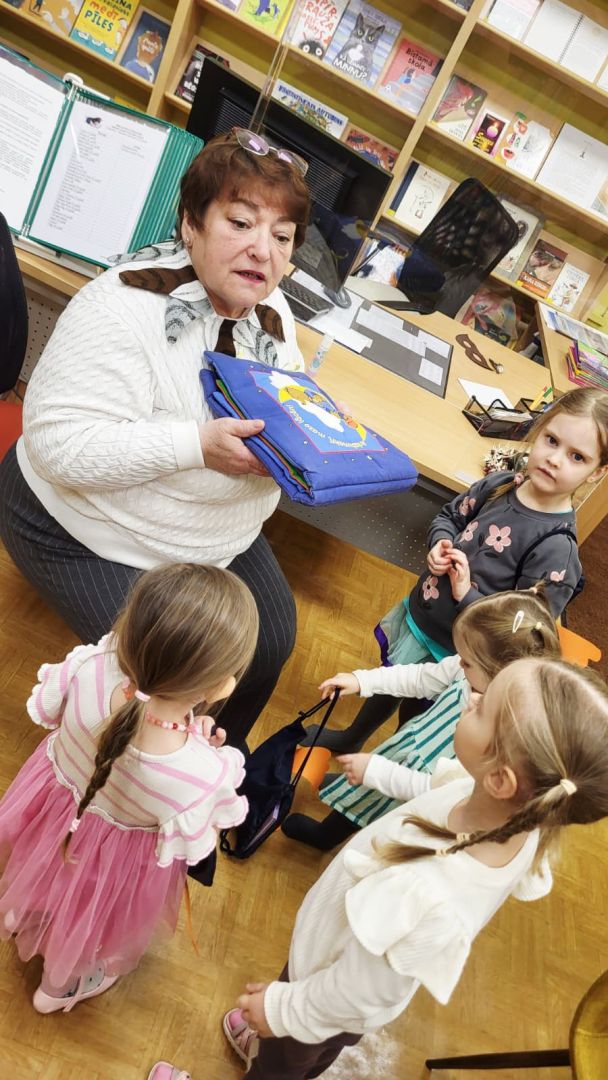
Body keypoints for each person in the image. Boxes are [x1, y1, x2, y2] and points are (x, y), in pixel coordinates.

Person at [150, 657, 608, 1080]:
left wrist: (283, 1010)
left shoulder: (428, 897)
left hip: (328, 992)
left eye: (483, 707)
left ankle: (272, 1057)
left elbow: (356, 993)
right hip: (336, 962)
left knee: (282, 1067)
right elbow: (432, 789)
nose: (471, 697)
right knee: (299, 1053)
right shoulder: (519, 818)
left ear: (501, 779)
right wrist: (379, 773)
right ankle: (275, 1050)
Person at [0, 129, 311, 748]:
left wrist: (317, 427)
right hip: (85, 528)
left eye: (282, 237)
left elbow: (283, 400)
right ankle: (139, 784)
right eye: (241, 223)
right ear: (191, 223)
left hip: (208, 530)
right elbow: (60, 444)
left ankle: (212, 769)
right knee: (177, 673)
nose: (263, 250)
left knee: (271, 640)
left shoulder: (274, 315)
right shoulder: (122, 305)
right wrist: (196, 446)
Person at [0, 562, 258, 1014]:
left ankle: (20, 909)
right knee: (88, 916)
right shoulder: (203, 776)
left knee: (41, 866)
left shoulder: (90, 666)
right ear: (220, 686)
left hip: (51, 816)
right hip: (108, 862)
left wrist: (189, 730)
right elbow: (195, 841)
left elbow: (98, 720)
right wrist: (198, 745)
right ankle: (57, 988)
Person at [303, 386, 608, 755]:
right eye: (552, 440)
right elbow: (449, 517)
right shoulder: (500, 484)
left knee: (417, 722)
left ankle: (392, 764)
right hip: (425, 618)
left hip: (461, 655)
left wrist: (467, 594)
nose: (555, 459)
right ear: (538, 431)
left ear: (596, 472)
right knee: (392, 680)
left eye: (577, 456)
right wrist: (440, 542)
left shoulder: (556, 550)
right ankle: (354, 736)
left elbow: (522, 635)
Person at [283, 586, 561, 850]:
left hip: (416, 801)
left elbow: (439, 793)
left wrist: (376, 774)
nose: (458, 662)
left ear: (499, 673)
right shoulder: (466, 671)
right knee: (365, 799)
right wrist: (361, 681)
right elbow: (418, 677)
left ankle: (332, 837)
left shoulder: (502, 740)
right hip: (400, 761)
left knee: (380, 830)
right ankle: (337, 816)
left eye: (467, 661)